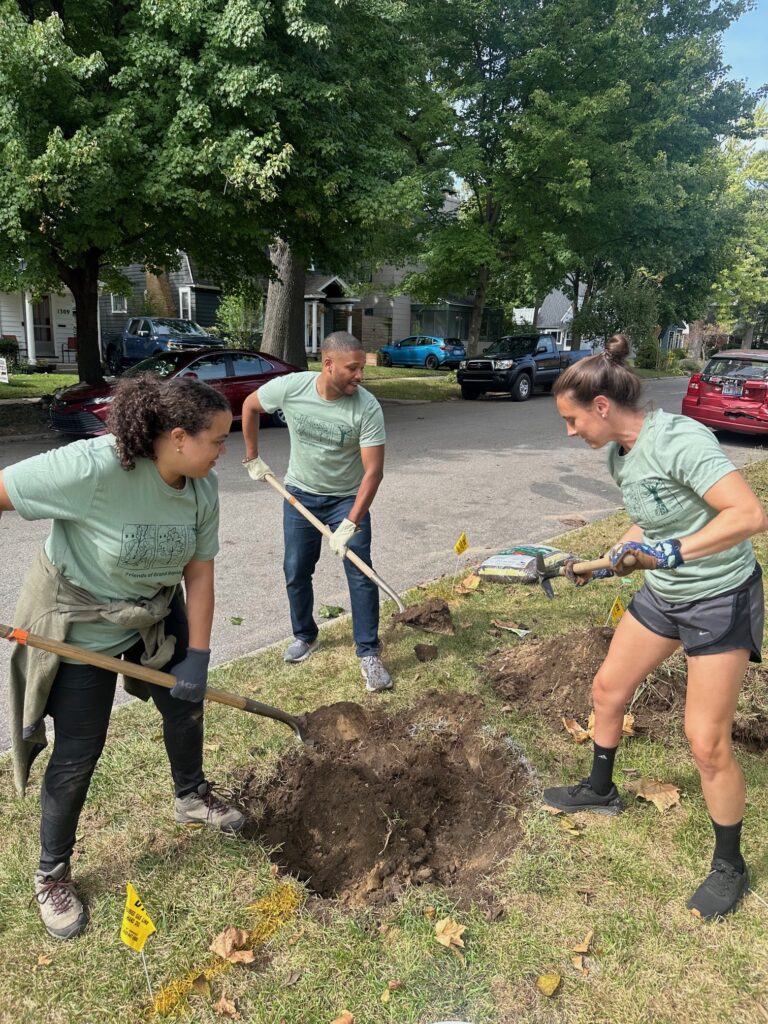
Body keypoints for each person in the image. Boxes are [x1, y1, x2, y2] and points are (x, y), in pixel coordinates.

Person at [0, 375, 245, 941]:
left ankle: (191, 796)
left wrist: (199, 657)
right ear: (178, 437)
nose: (223, 451)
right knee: (80, 751)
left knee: (185, 706)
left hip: (155, 612)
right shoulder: (92, 469)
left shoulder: (201, 487)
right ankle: (52, 873)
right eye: (217, 440)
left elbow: (199, 575)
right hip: (79, 622)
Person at [542, 333, 767, 921]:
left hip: (719, 597)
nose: (570, 434)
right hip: (665, 595)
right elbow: (647, 524)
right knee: (607, 690)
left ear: (600, 407)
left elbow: (749, 515)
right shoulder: (620, 454)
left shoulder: (679, 440)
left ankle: (730, 866)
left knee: (706, 742)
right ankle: (600, 789)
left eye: (571, 421)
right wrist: (604, 559)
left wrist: (670, 554)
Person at [241, 331, 392, 691]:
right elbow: (249, 406)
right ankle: (306, 635)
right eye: (352, 368)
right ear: (327, 365)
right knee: (296, 569)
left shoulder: (367, 407)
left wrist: (351, 523)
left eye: (362, 368)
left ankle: (368, 652)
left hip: (347, 499)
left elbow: (374, 472)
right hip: (300, 494)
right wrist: (251, 456)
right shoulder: (292, 388)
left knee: (360, 572)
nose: (360, 375)